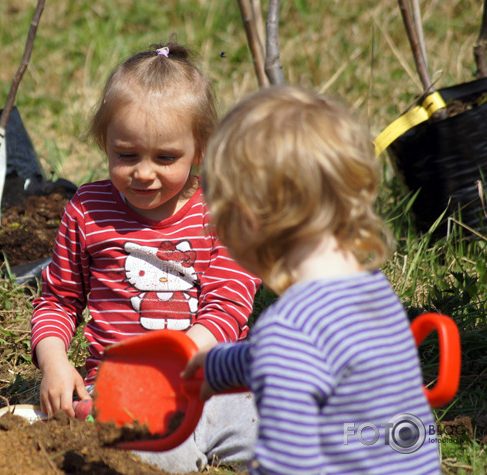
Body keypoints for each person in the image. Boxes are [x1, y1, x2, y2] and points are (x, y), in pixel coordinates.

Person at [184, 85, 441, 474]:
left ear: (248, 221)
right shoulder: (372, 293)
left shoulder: (288, 332)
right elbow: (303, 357)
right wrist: (218, 367)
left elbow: (288, 464)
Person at [31, 40, 262, 472]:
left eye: (166, 158)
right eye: (126, 155)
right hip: (127, 393)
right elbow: (58, 300)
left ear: (202, 149)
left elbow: (230, 301)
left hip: (217, 385)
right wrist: (55, 364)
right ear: (105, 142)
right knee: (144, 455)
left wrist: (180, 359)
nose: (143, 172)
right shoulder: (87, 209)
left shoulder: (221, 209)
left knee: (290, 429)